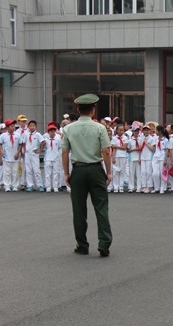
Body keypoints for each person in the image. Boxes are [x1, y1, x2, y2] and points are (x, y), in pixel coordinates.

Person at [61, 93, 113, 257]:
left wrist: (66, 173)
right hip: (96, 169)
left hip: (78, 169)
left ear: (78, 109)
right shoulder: (100, 128)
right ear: (93, 110)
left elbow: (64, 153)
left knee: (78, 209)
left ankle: (82, 244)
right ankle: (104, 242)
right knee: (101, 207)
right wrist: (108, 172)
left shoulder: (68, 128)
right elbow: (105, 151)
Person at [0, 119, 24, 192]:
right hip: (6, 157)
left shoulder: (18, 135)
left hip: (15, 157)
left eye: (14, 126)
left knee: (15, 172)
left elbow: (21, 144)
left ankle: (15, 186)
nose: (13, 128)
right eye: (11, 126)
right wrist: (1, 151)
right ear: (7, 127)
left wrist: (18, 152)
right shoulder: (3, 136)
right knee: (7, 172)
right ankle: (7, 186)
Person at [22, 120, 46, 192]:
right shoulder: (26, 134)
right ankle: (30, 185)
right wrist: (25, 150)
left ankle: (40, 185)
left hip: (34, 153)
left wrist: (40, 150)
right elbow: (23, 143)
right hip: (28, 153)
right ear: (28, 127)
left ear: (35, 127)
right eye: (30, 126)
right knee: (28, 170)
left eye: (33, 126)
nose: (32, 127)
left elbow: (43, 142)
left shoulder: (38, 134)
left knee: (36, 169)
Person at [44, 124, 62, 193]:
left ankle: (55, 187)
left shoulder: (58, 139)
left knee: (56, 173)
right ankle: (48, 186)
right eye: (51, 131)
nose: (52, 133)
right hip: (48, 158)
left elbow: (59, 147)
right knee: (48, 173)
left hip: (56, 158)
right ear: (48, 132)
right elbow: (44, 147)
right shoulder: (46, 140)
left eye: (53, 131)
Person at [111, 124, 129, 193]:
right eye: (120, 130)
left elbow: (124, 147)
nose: (121, 132)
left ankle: (121, 186)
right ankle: (116, 187)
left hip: (123, 156)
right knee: (115, 171)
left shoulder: (125, 138)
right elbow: (113, 148)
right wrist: (113, 157)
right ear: (117, 131)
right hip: (116, 156)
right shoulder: (114, 138)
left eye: (122, 130)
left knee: (122, 171)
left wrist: (117, 146)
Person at [152, 125, 169, 194]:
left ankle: (162, 188)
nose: (155, 132)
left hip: (162, 157)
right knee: (155, 173)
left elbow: (167, 150)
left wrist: (165, 159)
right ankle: (156, 188)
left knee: (162, 174)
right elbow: (154, 148)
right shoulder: (155, 139)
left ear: (160, 131)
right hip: (156, 157)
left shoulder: (166, 140)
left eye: (156, 130)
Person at [139, 125, 156, 194]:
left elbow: (152, 149)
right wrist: (139, 158)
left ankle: (149, 186)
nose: (146, 131)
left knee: (149, 172)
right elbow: (140, 149)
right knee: (143, 172)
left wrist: (146, 143)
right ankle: (144, 186)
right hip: (143, 157)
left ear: (149, 131)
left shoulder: (152, 139)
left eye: (147, 130)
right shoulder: (141, 138)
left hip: (149, 157)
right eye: (144, 130)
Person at [126, 124, 142, 193]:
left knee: (138, 173)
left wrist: (139, 157)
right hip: (132, 158)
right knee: (131, 173)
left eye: (137, 131)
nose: (137, 132)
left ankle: (138, 187)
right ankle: (131, 187)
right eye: (135, 131)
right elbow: (128, 150)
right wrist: (135, 149)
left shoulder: (140, 139)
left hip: (138, 157)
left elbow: (141, 149)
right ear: (132, 131)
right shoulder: (130, 140)